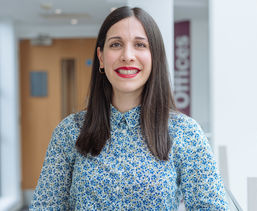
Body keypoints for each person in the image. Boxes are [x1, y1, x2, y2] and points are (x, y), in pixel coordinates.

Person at [30, 6, 229, 210]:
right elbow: (45, 206)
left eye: (140, 45)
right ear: (100, 56)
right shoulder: (70, 131)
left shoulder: (185, 132)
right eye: (116, 44)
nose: (127, 55)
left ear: (155, 57)